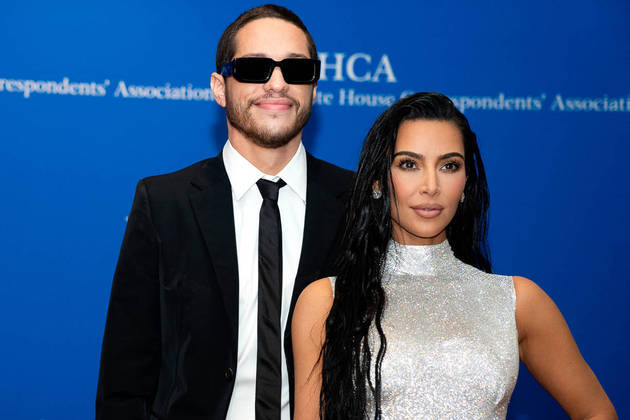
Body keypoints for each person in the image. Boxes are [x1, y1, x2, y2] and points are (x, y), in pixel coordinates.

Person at [96, 5, 353, 420]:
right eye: (254, 68)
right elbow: (124, 378)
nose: (277, 83)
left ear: (315, 87)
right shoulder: (164, 203)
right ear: (219, 88)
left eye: (296, 69)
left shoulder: (359, 202)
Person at [292, 92, 617, 419]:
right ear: (378, 181)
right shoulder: (327, 300)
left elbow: (597, 412)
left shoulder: (515, 301)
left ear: (465, 184)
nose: (430, 185)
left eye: (449, 166)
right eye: (409, 164)